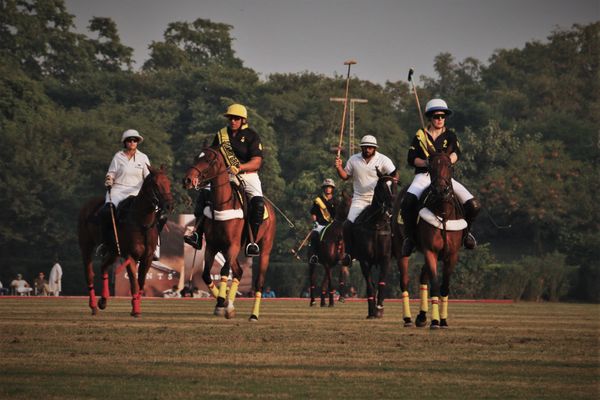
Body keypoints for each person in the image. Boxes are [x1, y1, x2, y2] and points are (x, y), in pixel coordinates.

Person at [400, 98, 481, 257]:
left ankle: (466, 234)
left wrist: (445, 162)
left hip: (444, 177)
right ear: (430, 117)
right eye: (436, 116)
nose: (440, 119)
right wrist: (426, 162)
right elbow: (411, 158)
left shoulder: (450, 135)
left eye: (442, 116)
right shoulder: (420, 136)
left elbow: (457, 153)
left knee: (474, 205)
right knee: (408, 201)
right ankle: (409, 238)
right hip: (424, 175)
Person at [184, 104, 265, 257]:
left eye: (236, 118)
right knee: (203, 197)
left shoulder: (252, 136)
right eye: (230, 118)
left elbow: (257, 162)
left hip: (248, 175)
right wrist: (200, 177)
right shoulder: (221, 135)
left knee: (258, 204)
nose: (232, 121)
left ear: (243, 120)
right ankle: (197, 234)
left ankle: (251, 242)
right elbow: (211, 157)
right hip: (224, 175)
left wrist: (240, 167)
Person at [335, 134, 397, 264]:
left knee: (392, 221)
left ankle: (396, 249)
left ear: (374, 148)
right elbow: (345, 176)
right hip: (360, 199)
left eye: (370, 147)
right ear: (361, 147)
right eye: (365, 147)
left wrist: (389, 184)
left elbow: (394, 174)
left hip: (379, 201)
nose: (367, 149)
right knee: (348, 225)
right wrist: (339, 167)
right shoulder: (353, 159)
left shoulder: (383, 160)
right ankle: (349, 254)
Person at [98, 129, 152, 256]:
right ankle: (106, 244)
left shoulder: (143, 157)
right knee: (107, 211)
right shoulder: (118, 157)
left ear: (137, 142)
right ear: (125, 142)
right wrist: (109, 179)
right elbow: (111, 173)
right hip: (118, 190)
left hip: (136, 192)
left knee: (155, 214)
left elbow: (148, 177)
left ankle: (152, 246)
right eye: (129, 140)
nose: (132, 142)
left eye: (135, 140)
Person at [308, 178, 338, 265]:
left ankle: (344, 255)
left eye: (330, 187)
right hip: (321, 224)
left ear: (332, 189)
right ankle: (314, 255)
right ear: (323, 188)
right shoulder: (318, 200)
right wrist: (315, 223)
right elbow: (313, 213)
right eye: (326, 187)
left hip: (332, 224)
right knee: (314, 235)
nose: (328, 189)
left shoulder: (336, 201)